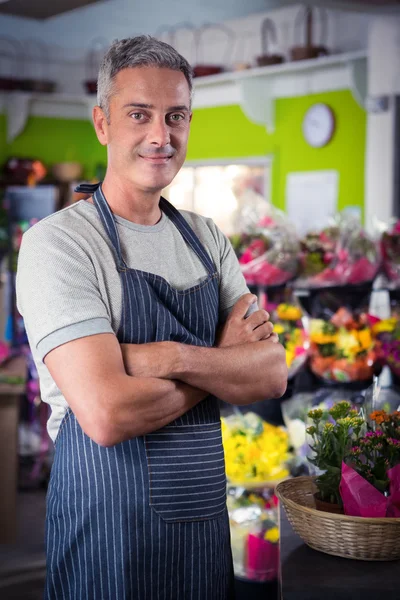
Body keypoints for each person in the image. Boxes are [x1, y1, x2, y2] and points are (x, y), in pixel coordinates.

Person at [16, 35, 287, 600]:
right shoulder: (59, 244)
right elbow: (108, 414)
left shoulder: (206, 237)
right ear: (102, 124)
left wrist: (168, 358)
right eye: (139, 114)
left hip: (203, 531)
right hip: (105, 531)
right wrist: (218, 361)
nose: (161, 135)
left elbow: (268, 375)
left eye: (176, 116)